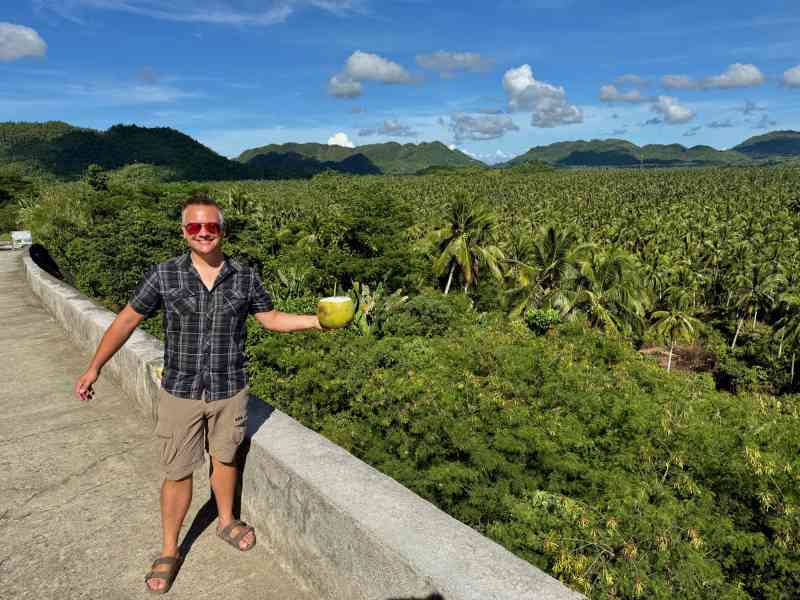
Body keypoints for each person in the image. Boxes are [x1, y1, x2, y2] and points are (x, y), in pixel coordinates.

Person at [74, 193, 322, 594]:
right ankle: (170, 548)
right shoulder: (165, 275)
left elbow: (271, 319)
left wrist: (317, 322)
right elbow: (126, 321)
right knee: (177, 471)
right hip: (181, 390)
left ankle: (226, 521)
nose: (203, 233)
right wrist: (94, 366)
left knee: (225, 458)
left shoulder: (245, 276)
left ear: (223, 230)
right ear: (184, 232)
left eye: (211, 227)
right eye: (194, 227)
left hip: (230, 388)